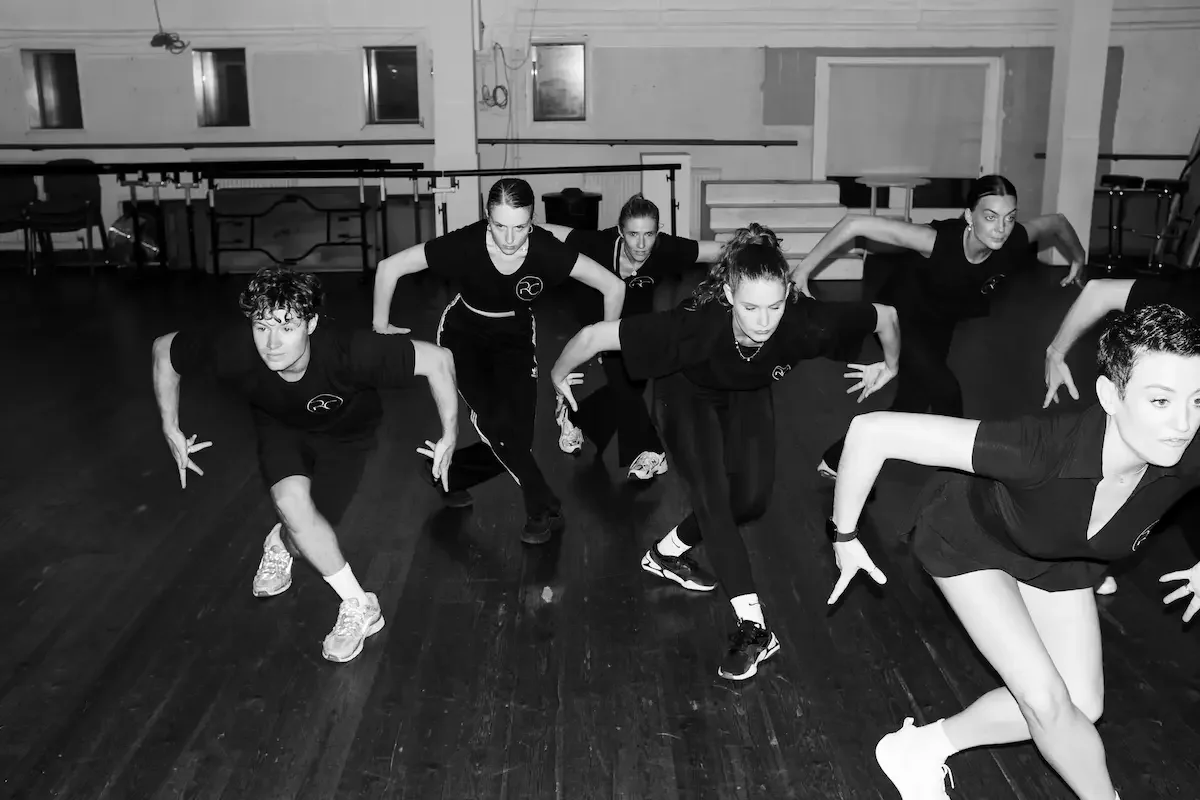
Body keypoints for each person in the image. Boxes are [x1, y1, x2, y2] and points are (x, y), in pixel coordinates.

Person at [825, 304, 1200, 800]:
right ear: (1111, 395)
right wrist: (845, 538)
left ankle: (920, 748)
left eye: (1198, 399)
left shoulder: (1187, 447)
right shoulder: (1039, 450)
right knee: (1045, 700)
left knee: (1082, 705)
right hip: (971, 539)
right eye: (1160, 400)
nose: (1182, 422)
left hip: (1060, 553)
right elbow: (872, 431)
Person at [550, 223, 901, 680]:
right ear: (729, 294)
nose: (763, 321)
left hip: (747, 388)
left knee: (750, 500)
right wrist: (558, 377)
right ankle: (754, 628)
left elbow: (886, 315)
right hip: (687, 389)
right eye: (750, 307)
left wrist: (890, 367)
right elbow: (595, 336)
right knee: (713, 496)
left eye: (774, 306)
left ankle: (666, 553)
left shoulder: (803, 323)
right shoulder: (693, 325)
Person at [152, 266, 459, 663]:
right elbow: (164, 349)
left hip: (347, 437)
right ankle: (360, 604)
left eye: (287, 327)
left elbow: (438, 359)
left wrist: (450, 433)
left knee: (305, 537)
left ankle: (280, 543)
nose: (272, 343)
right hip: (279, 425)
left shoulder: (353, 353)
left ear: (311, 323)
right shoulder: (231, 347)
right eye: (262, 327)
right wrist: (170, 427)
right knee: (296, 506)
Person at [372, 178, 625, 545]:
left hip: (516, 339)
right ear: (486, 217)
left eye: (520, 227)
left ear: (532, 220)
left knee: (515, 439)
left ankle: (450, 474)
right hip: (463, 337)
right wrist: (381, 329)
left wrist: (603, 343)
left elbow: (613, 286)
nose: (509, 239)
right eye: (499, 226)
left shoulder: (547, 251)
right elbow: (389, 268)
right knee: (498, 427)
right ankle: (542, 505)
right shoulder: (464, 243)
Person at [791, 174, 1088, 479]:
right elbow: (855, 224)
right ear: (969, 216)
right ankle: (957, 477)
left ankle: (835, 459)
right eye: (990, 217)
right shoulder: (935, 241)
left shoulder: (1014, 241)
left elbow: (1058, 222)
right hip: (900, 318)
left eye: (1009, 218)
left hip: (940, 321)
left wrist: (1078, 258)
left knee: (913, 400)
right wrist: (802, 271)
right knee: (946, 391)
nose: (1001, 228)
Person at [540, 193, 723, 480]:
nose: (641, 244)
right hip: (595, 312)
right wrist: (512, 227)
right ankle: (650, 451)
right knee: (620, 372)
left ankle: (575, 417)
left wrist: (759, 248)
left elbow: (717, 251)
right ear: (620, 231)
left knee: (631, 384)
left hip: (636, 318)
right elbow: (555, 232)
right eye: (633, 234)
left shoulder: (666, 249)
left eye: (648, 234)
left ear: (657, 231)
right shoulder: (599, 243)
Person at [1044, 271, 1200, 595]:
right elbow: (1099, 292)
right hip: (1152, 428)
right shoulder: (1190, 299)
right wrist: (1055, 352)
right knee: (1115, 477)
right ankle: (1086, 557)